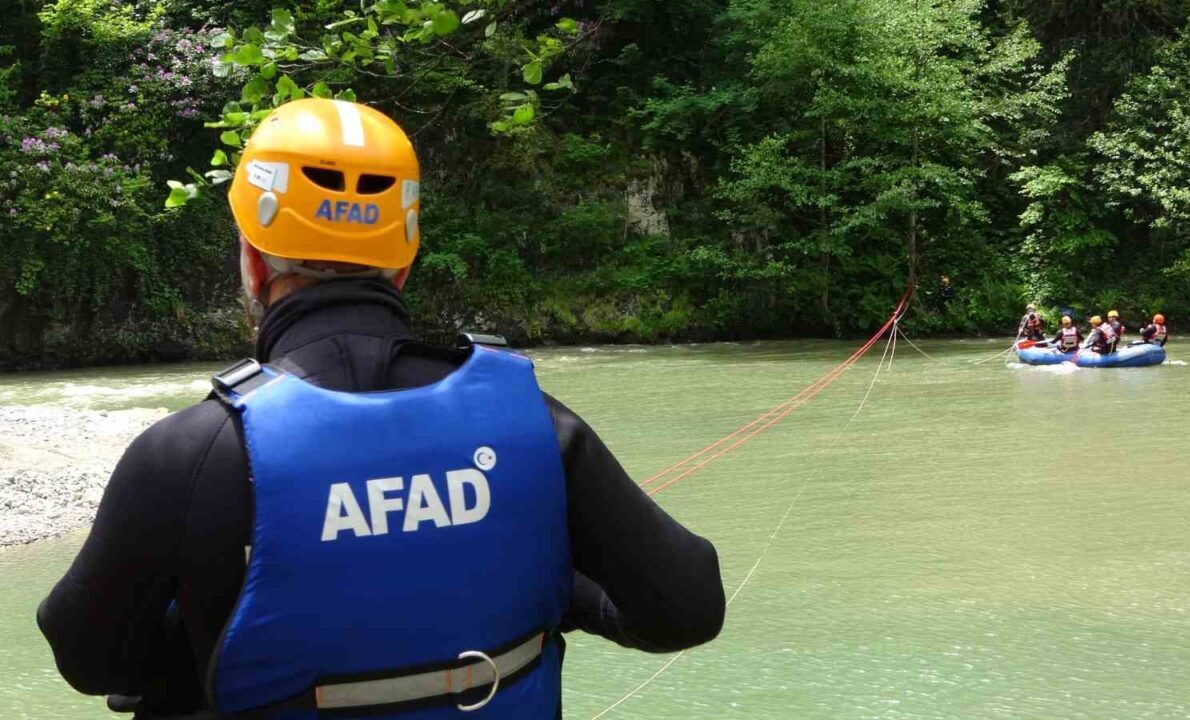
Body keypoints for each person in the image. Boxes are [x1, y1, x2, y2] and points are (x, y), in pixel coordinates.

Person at [37, 99, 724, 719]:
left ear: (251, 261)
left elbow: (89, 660)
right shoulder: (535, 423)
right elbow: (685, 607)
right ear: (403, 260)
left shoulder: (191, 453)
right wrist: (535, 580)